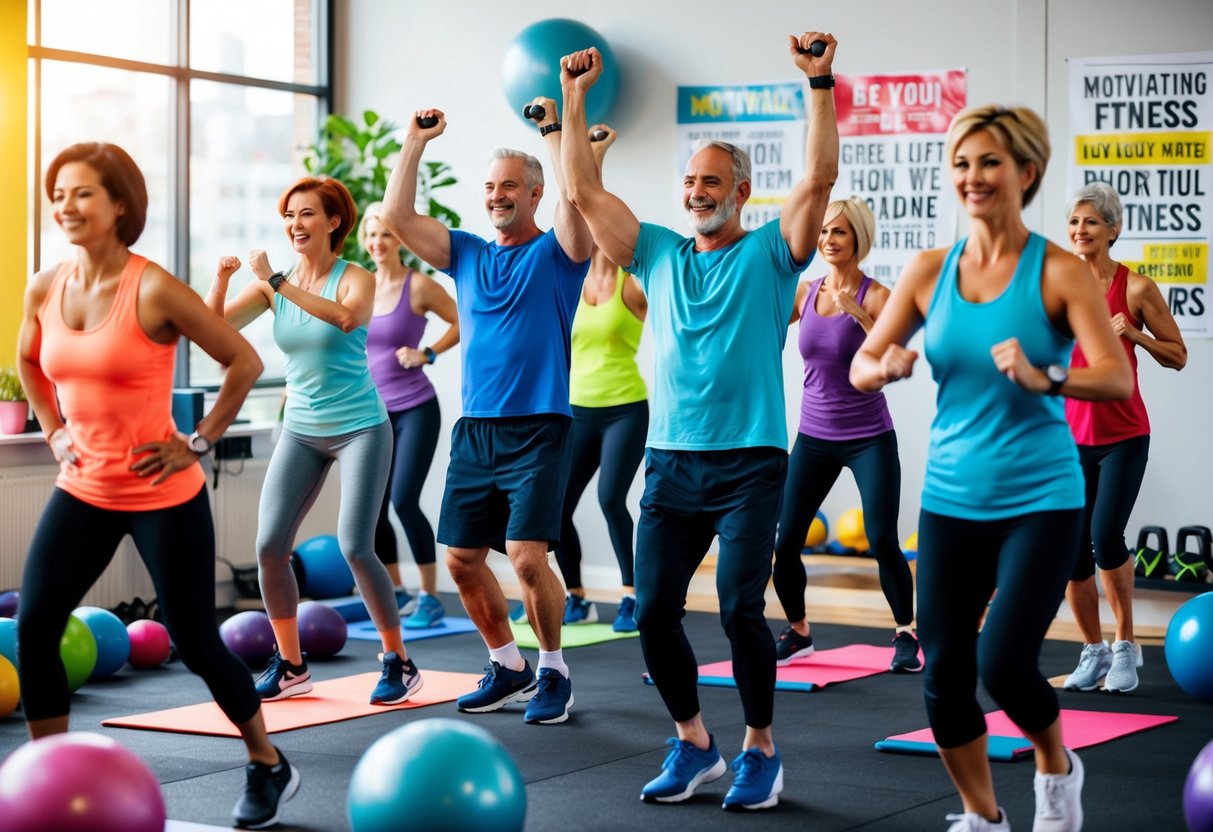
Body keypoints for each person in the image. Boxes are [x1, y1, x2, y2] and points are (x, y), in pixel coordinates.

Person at [559, 33, 839, 810]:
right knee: (651, 611)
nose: (694, 190)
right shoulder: (654, 252)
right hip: (672, 462)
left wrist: (818, 83)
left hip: (750, 461)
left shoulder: (774, 255)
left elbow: (818, 176)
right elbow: (584, 197)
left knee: (741, 610)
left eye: (710, 180)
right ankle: (693, 742)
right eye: (688, 180)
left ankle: (760, 749)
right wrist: (573, 101)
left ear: (740, 191)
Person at [850, 105, 1133, 832]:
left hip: (1039, 497)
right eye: (962, 163)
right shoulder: (926, 271)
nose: (972, 177)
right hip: (949, 499)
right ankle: (983, 815)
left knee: (1003, 665)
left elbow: (1113, 378)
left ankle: (1055, 763)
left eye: (989, 163)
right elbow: (860, 364)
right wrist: (883, 365)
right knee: (943, 677)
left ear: (1025, 173)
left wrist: (1049, 379)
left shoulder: (1059, 271)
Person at [16, 142, 298, 829]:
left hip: (160, 494)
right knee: (34, 628)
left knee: (198, 641)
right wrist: (53, 431)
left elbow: (242, 360)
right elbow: (29, 360)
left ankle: (266, 760)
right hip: (82, 487)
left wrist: (196, 443)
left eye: (83, 193)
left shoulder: (154, 287)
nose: (66, 206)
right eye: (59, 193)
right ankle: (49, 777)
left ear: (120, 205)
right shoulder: (45, 285)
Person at [378, 97, 593, 725]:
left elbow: (577, 205)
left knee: (527, 556)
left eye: (510, 187)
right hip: (476, 430)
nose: (497, 195)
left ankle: (554, 670)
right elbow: (395, 215)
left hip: (541, 425)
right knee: (461, 560)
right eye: (490, 186)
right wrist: (415, 139)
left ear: (534, 194)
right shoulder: (467, 252)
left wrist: (554, 131)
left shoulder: (558, 254)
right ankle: (508, 665)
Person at [207, 176, 422, 707]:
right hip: (301, 428)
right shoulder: (269, 286)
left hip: (361, 427)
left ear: (332, 223)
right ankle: (291, 666)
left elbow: (347, 318)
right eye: (289, 215)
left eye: (306, 214)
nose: (295, 225)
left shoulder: (357, 279)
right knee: (268, 547)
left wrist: (277, 282)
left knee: (355, 544)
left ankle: (398, 661)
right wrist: (220, 279)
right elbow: (212, 331)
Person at [771, 196, 918, 671]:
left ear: (858, 239)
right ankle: (798, 631)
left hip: (869, 435)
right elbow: (768, 327)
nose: (829, 240)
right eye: (824, 232)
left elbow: (892, 354)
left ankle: (906, 634)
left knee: (881, 539)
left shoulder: (877, 295)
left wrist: (858, 314)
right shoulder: (805, 292)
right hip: (813, 436)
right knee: (785, 540)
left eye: (839, 232)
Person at [1060, 182, 1187, 695]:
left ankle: (1125, 647)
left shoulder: (1135, 289)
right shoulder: (1060, 287)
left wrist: (1134, 334)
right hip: (1070, 438)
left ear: (1113, 229)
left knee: (1105, 533)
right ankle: (1092, 650)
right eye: (1074, 222)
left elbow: (1178, 355)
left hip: (1123, 436)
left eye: (1091, 222)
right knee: (1070, 549)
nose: (1080, 231)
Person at [554, 124, 648, 632]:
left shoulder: (632, 286)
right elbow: (582, 199)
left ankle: (631, 594)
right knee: (558, 507)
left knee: (612, 499)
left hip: (625, 408)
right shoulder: (571, 283)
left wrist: (598, 156)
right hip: (576, 410)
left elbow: (596, 200)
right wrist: (593, 155)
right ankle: (576, 595)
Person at [361, 201, 460, 629]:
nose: (378, 242)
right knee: (375, 509)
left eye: (385, 233)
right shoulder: (359, 287)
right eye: (371, 234)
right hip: (371, 413)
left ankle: (430, 596)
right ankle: (397, 591)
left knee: (404, 499)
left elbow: (463, 321)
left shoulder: (418, 286)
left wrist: (428, 353)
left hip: (416, 408)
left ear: (398, 239)